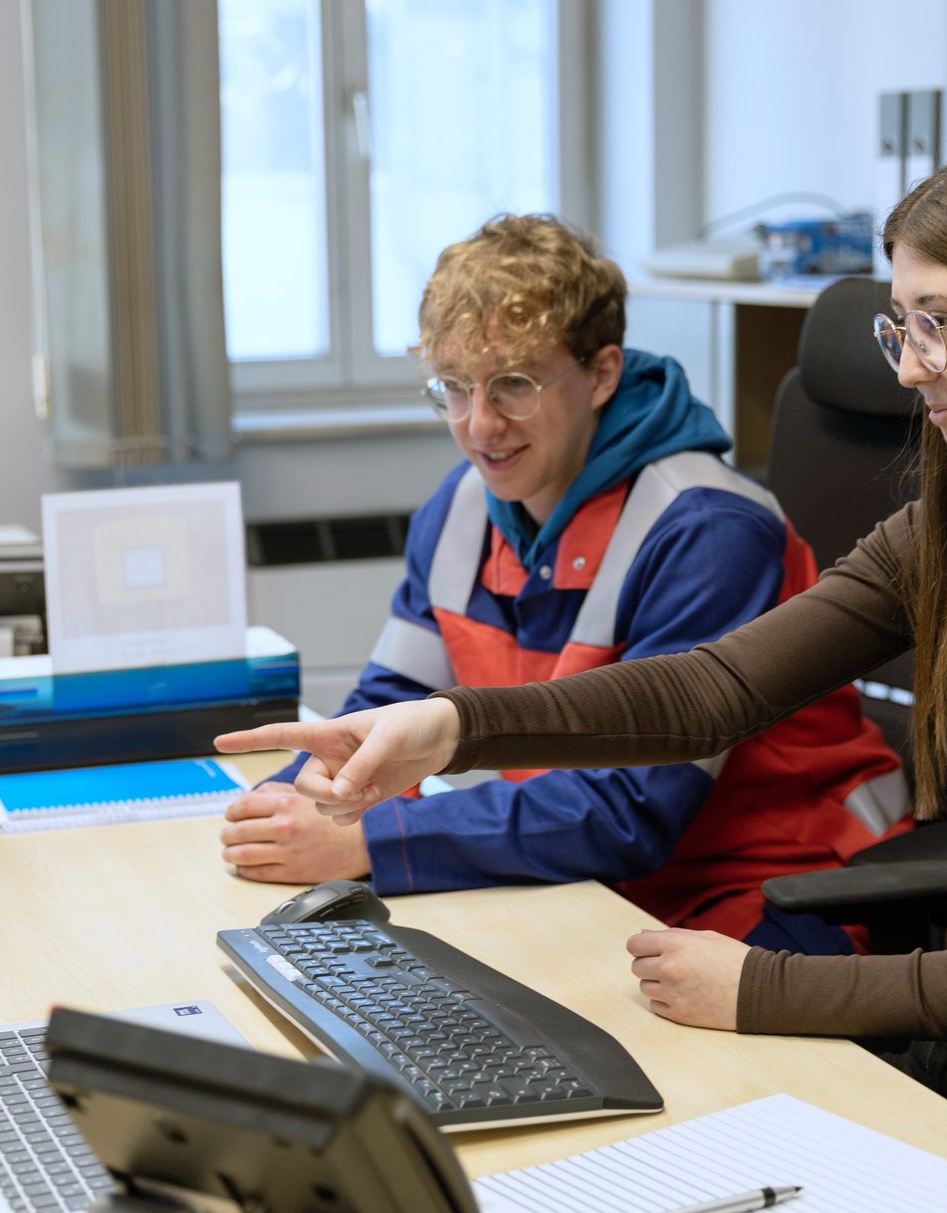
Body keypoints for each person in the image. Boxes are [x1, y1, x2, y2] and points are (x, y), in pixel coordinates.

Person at [219, 140, 947, 1213]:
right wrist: (450, 727)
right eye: (901, 324)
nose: (908, 364)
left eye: (942, 321)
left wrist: (761, 988)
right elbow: (707, 690)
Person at [217, 213, 909, 954]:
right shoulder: (459, 508)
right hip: (596, 880)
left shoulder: (707, 528)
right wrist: (304, 798)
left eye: (514, 385)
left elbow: (632, 809)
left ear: (603, 372)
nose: (480, 426)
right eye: (454, 387)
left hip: (785, 884)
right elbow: (390, 706)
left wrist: (371, 843)